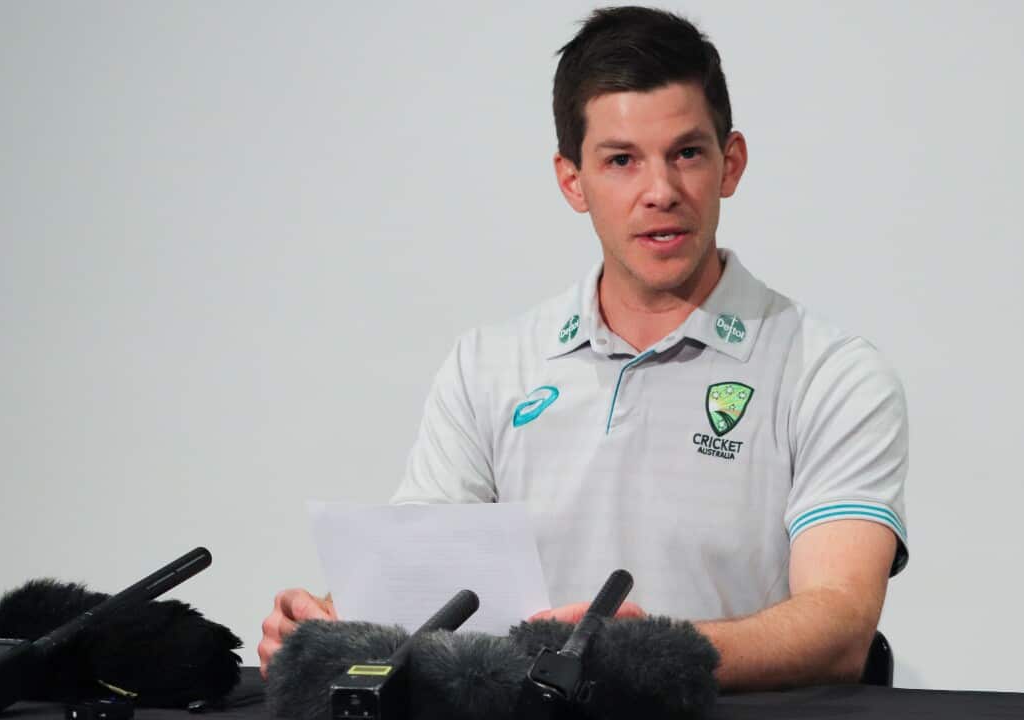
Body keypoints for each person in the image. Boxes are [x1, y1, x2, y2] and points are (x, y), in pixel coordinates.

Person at [261, 6, 908, 692]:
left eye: (687, 153)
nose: (660, 192)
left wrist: (628, 662)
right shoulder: (488, 365)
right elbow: (425, 596)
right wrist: (334, 631)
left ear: (731, 163)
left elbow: (839, 627)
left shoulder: (833, 374)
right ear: (573, 181)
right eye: (622, 161)